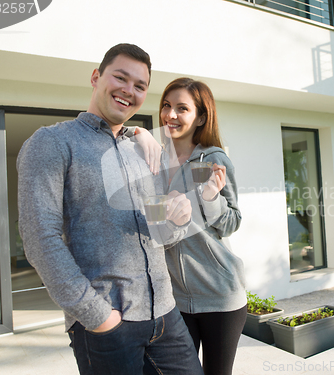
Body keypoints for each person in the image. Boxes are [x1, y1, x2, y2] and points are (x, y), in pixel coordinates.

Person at [17, 44, 203, 375]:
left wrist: (180, 219)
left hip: (166, 315)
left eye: (140, 86)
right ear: (96, 77)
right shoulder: (52, 143)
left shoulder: (142, 149)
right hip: (107, 325)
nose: (128, 91)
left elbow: (162, 232)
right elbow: (39, 237)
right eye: (120, 77)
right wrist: (97, 316)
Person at [159, 77, 247, 375]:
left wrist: (210, 198)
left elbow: (232, 222)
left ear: (201, 117)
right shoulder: (156, 161)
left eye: (182, 108)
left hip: (219, 294)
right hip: (175, 298)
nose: (170, 115)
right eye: (166, 106)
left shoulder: (213, 159)